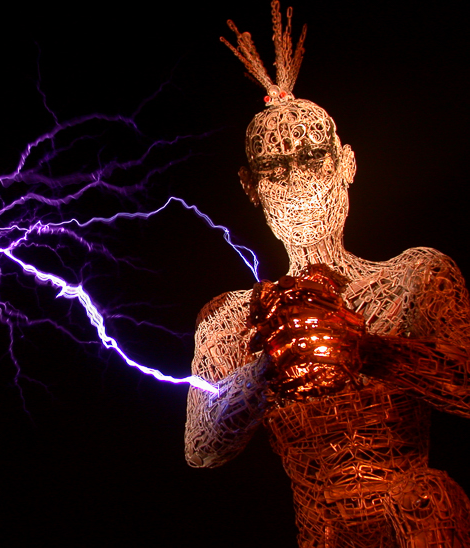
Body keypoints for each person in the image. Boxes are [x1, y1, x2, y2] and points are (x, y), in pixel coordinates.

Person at [184, 3, 470, 546]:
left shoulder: (414, 278)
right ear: (250, 185)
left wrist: (370, 349)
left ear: (347, 163)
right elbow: (201, 448)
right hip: (323, 533)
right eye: (274, 169)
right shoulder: (231, 320)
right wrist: (268, 366)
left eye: (313, 158)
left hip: (423, 523)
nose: (296, 180)